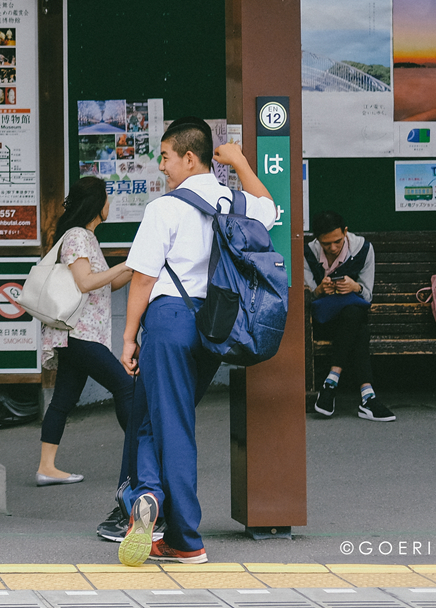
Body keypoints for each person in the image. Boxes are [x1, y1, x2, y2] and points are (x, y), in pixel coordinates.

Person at [117, 118, 276, 567]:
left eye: (165, 156)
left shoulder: (164, 208)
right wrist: (241, 162)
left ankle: (184, 536)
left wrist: (129, 338)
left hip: (169, 322)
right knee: (153, 414)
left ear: (189, 157)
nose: (161, 166)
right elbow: (270, 207)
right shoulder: (235, 201)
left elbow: (144, 278)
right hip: (215, 325)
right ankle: (144, 498)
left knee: (172, 424)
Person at [37, 176, 135, 486]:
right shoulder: (78, 236)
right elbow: (85, 282)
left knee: (62, 401)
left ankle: (46, 468)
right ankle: (142, 458)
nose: (110, 204)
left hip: (76, 334)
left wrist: (135, 266)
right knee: (125, 387)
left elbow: (105, 284)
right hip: (78, 333)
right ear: (96, 204)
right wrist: (122, 266)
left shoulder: (86, 237)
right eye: (106, 198)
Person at [302, 211, 394, 421]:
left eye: (337, 241)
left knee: (354, 315)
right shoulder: (308, 253)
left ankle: (331, 383)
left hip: (350, 317)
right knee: (358, 324)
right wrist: (319, 290)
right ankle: (368, 399)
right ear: (317, 240)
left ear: (345, 232)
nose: (333, 248)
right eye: (326, 244)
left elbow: (367, 296)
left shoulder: (363, 249)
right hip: (324, 320)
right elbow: (308, 297)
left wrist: (355, 287)